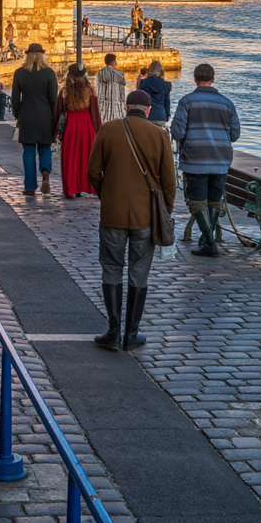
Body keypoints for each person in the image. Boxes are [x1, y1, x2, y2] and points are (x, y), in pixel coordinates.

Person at [88, 90, 175, 351]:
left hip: (112, 215)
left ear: (126, 108)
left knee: (111, 268)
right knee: (139, 272)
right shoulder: (160, 135)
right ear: (148, 111)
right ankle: (131, 334)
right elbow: (169, 183)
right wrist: (165, 212)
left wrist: (107, 196)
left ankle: (114, 331)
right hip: (145, 217)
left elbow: (93, 171)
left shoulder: (108, 130)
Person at [169, 63, 240, 257]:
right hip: (220, 161)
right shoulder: (227, 103)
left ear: (194, 79)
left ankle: (209, 241)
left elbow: (177, 132)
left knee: (197, 201)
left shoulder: (186, 101)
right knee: (214, 200)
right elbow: (235, 134)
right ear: (213, 79)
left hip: (195, 160)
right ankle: (208, 240)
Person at [11, 43, 59, 195]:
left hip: (27, 115)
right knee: (45, 147)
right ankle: (45, 172)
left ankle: (30, 186)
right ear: (42, 55)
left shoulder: (20, 73)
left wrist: (17, 114)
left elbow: (15, 97)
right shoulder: (49, 73)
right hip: (45, 116)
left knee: (28, 151)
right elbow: (54, 99)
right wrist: (55, 117)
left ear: (28, 56)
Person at [54, 63, 101, 199]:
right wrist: (99, 129)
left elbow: (58, 111)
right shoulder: (90, 90)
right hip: (87, 125)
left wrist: (55, 128)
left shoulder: (64, 91)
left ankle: (71, 187)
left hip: (71, 124)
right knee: (86, 156)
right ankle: (85, 186)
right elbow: (95, 112)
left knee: (70, 156)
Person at [138, 60, 172, 126]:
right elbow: (167, 102)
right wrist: (167, 115)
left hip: (147, 116)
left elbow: (140, 101)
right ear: (160, 70)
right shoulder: (166, 84)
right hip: (160, 116)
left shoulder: (142, 83)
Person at [95, 53, 127, 122]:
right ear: (113, 61)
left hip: (103, 108)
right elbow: (122, 93)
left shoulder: (99, 73)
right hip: (116, 108)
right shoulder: (119, 74)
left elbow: (97, 89)